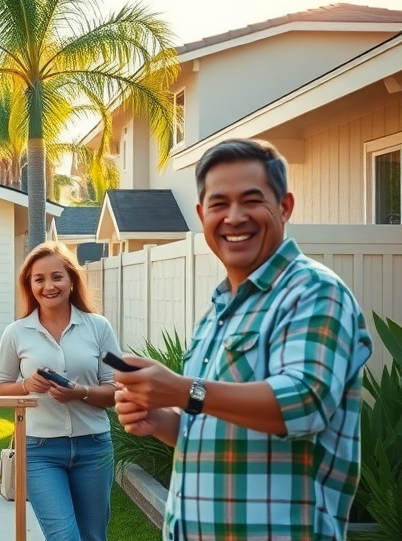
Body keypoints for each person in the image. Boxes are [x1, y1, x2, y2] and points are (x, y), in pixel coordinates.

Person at [113, 139, 373, 541]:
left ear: (284, 207)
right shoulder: (219, 308)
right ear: (202, 215)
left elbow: (305, 402)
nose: (234, 217)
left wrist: (183, 390)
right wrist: (161, 422)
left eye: (251, 200)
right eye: (219, 204)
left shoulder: (314, 291)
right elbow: (215, 430)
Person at [0, 242, 119, 541]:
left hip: (94, 447)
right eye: (39, 279)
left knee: (93, 536)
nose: (49, 286)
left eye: (57, 277)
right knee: (64, 537)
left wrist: (82, 392)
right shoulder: (16, 333)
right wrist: (26, 385)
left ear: (72, 280)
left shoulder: (100, 328)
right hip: (39, 451)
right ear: (30, 285)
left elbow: (116, 389)